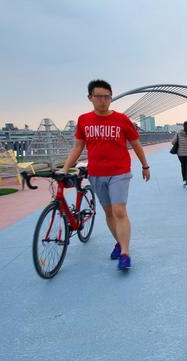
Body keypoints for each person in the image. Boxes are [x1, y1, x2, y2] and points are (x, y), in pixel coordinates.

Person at [60, 79, 151, 270]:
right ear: (90, 98)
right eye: (98, 97)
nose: (103, 101)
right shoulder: (84, 120)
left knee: (119, 210)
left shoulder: (122, 120)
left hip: (119, 171)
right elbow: (78, 146)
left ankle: (125, 253)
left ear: (111, 98)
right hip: (96, 172)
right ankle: (119, 242)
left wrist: (145, 166)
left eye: (107, 97)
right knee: (109, 212)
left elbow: (135, 144)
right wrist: (65, 167)